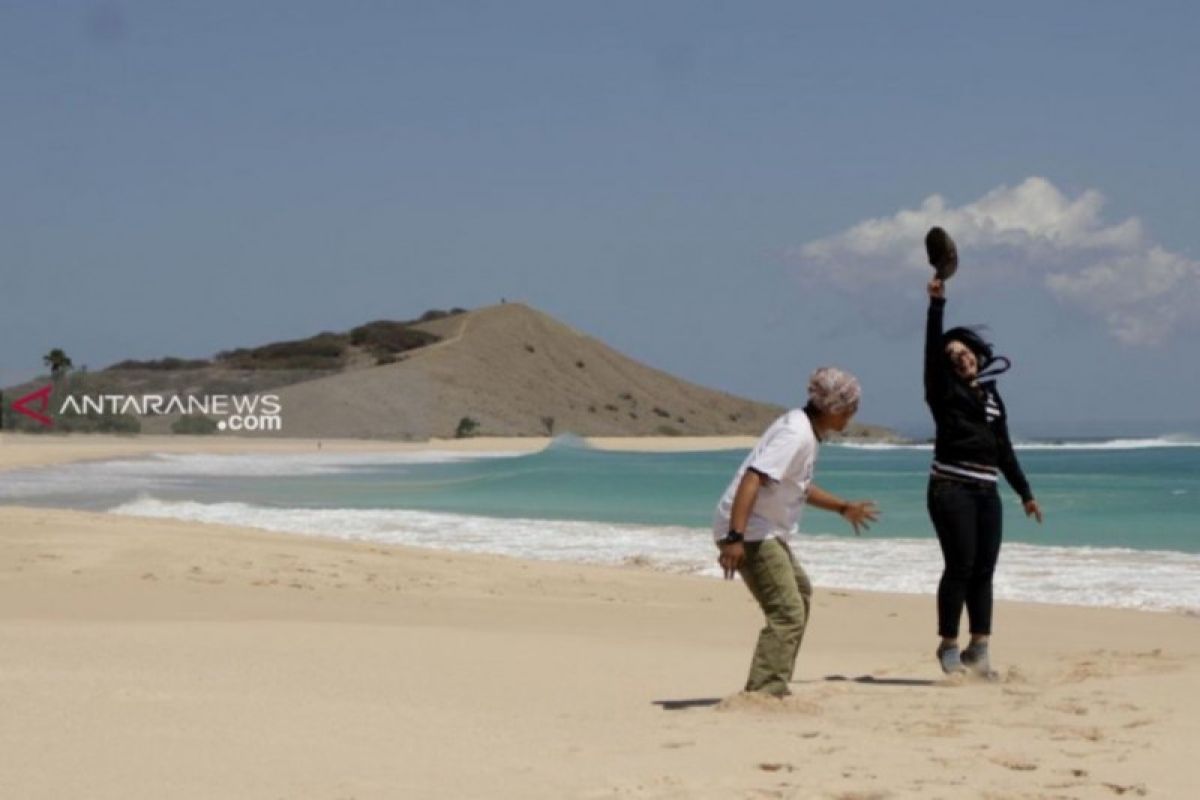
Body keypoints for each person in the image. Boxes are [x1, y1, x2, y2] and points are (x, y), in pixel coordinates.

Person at [713, 367, 879, 697]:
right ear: (833, 407)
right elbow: (752, 478)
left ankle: (775, 682)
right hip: (752, 531)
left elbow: (797, 487)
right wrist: (735, 538)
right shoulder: (796, 434)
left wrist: (842, 508)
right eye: (850, 408)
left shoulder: (805, 431)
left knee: (800, 594)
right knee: (787, 611)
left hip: (764, 530)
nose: (852, 415)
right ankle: (764, 692)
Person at [924, 277, 1043, 676]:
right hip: (950, 487)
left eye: (966, 352)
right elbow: (930, 353)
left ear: (977, 354)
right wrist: (937, 304)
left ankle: (980, 648)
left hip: (986, 490)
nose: (962, 358)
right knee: (960, 564)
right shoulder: (942, 393)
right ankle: (948, 646)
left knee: (984, 569)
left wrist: (1025, 493)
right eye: (952, 355)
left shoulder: (992, 396)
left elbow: (1004, 449)